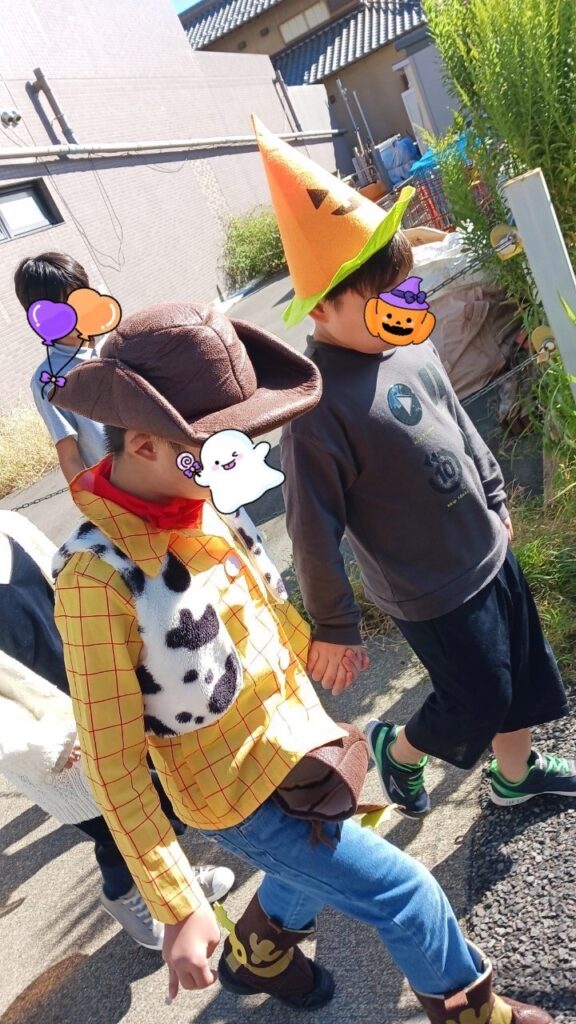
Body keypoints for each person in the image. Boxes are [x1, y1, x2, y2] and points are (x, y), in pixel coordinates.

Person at [50, 299, 552, 1023]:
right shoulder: (96, 580)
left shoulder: (203, 500)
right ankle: (475, 1012)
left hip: (293, 745)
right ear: (148, 445)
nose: (239, 464)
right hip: (231, 794)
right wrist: (178, 903)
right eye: (220, 447)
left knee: (321, 849)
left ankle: (261, 951)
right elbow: (113, 761)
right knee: (406, 893)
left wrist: (319, 649)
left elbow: (258, 610)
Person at [249, 117, 576, 819]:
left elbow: (456, 423)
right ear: (324, 306)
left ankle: (515, 775)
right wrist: (334, 625)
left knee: (522, 673)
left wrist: (495, 496)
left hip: (486, 546)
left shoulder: (408, 344)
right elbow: (311, 532)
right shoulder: (315, 412)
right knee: (477, 695)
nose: (402, 307)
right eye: (384, 299)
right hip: (429, 588)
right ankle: (399, 750)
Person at [0, 510, 234, 949]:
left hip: (99, 691)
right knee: (113, 829)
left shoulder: (10, 526)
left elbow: (70, 584)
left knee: (153, 796)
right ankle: (124, 893)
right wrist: (47, 746)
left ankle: (172, 885)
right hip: (56, 744)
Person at [15, 252, 107, 483]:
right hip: (126, 492)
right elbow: (69, 456)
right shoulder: (48, 379)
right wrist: (96, 502)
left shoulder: (117, 343)